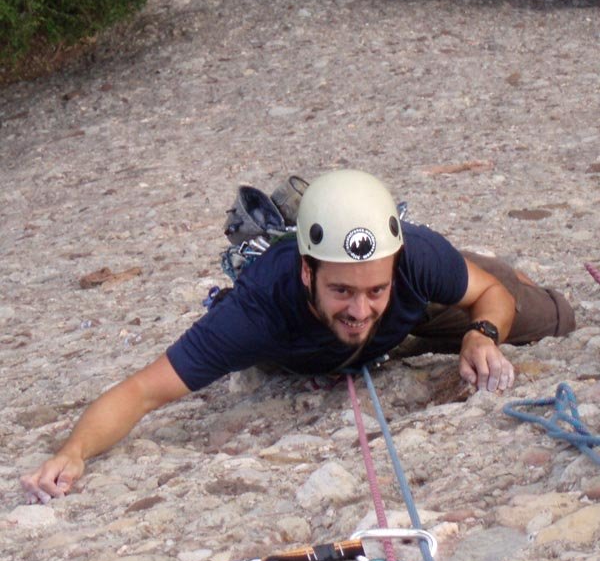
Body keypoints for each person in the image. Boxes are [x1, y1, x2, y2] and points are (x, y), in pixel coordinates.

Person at [20, 169, 575, 504]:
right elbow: (142, 391)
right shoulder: (257, 309)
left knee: (553, 316)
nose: (359, 308)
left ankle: (491, 266)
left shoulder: (415, 257)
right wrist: (73, 453)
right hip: (361, 334)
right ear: (307, 272)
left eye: (372, 288)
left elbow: (488, 300)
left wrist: (481, 334)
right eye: (341, 291)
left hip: (411, 315)